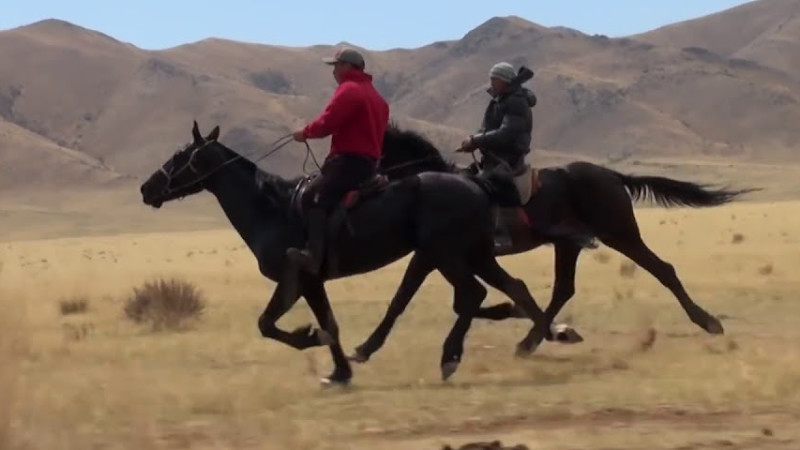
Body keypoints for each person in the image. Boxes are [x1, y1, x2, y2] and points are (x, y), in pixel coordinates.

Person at [287, 47, 390, 275]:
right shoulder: (379, 99)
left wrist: (305, 132)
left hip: (347, 163)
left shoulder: (349, 90)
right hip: (369, 164)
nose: (333, 72)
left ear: (346, 67)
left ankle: (314, 256)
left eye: (335, 66)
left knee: (312, 196)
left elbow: (327, 123)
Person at [457, 62, 537, 251]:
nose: (491, 82)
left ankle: (500, 236)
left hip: (508, 158)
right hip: (494, 156)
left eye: (495, 79)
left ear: (505, 80)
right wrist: (472, 141)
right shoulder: (500, 99)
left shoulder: (515, 101)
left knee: (487, 185)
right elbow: (488, 130)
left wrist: (476, 141)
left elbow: (508, 132)